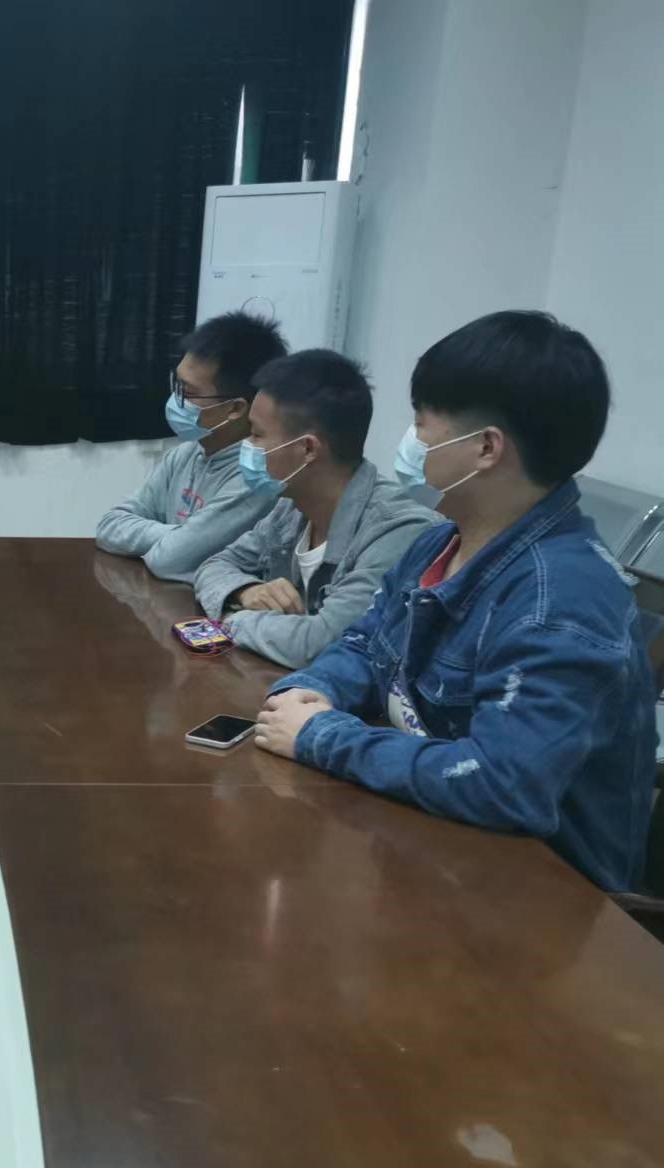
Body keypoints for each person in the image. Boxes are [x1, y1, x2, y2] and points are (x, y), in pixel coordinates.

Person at [256, 312, 657, 892]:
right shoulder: (440, 541)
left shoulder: (562, 599)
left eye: (422, 423)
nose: (412, 441)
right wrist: (312, 691)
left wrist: (322, 736)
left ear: (486, 448)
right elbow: (366, 641)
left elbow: (502, 784)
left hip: (542, 899)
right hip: (431, 849)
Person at [193, 350, 441, 667]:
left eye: (256, 435)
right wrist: (245, 591)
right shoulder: (291, 506)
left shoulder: (398, 530)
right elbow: (214, 565)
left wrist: (230, 620)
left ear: (308, 448)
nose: (246, 446)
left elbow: (320, 643)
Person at [95, 310, 288, 582]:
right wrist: (183, 537)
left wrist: (179, 544)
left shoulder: (257, 477)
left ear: (234, 409)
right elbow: (109, 525)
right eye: (176, 384)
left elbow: (170, 560)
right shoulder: (184, 454)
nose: (176, 399)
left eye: (188, 392)